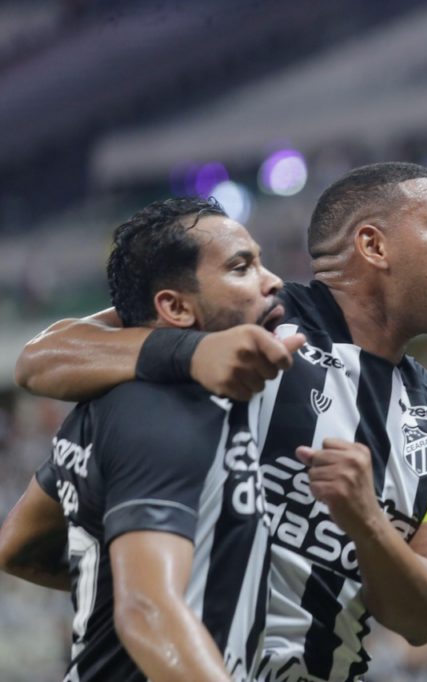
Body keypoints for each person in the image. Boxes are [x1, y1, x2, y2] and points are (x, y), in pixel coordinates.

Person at [14, 162, 427, 682]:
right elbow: (41, 357)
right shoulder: (249, 317)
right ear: (374, 246)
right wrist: (193, 355)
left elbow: (425, 615)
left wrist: (366, 520)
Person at [0, 197, 305, 681]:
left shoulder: (114, 396)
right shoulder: (161, 409)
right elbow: (145, 612)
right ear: (176, 307)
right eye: (241, 267)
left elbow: (18, 545)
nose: (272, 281)